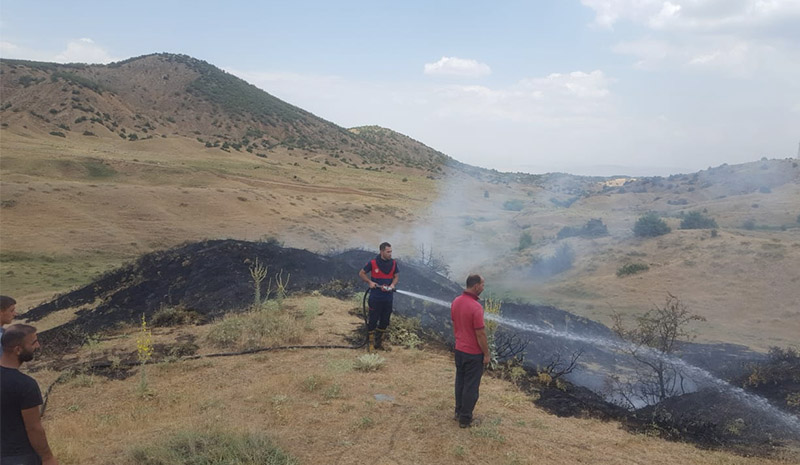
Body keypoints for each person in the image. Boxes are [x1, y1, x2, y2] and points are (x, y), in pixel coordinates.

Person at [1, 324, 59, 465]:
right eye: (33, 342)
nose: (37, 346)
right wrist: (47, 458)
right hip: (19, 457)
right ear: (18, 350)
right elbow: (33, 428)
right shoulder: (24, 385)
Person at [451, 274, 490, 428]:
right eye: (482, 284)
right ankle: (465, 419)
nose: (483, 287)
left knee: (460, 381)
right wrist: (486, 354)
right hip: (473, 354)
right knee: (471, 386)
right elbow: (480, 333)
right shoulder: (476, 307)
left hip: (459, 350)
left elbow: (455, 324)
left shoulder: (456, 301)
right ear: (476, 286)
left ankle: (458, 412)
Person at [358, 242, 399, 351]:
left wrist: (392, 285)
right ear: (381, 251)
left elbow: (396, 276)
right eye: (388, 252)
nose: (390, 254)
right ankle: (370, 344)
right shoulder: (373, 263)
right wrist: (369, 282)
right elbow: (361, 273)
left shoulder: (393, 263)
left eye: (391, 251)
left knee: (385, 321)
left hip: (388, 298)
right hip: (376, 297)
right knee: (373, 320)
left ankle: (379, 342)